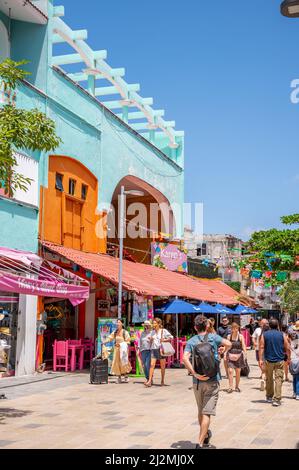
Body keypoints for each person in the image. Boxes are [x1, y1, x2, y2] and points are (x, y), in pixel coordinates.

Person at [183, 315, 231, 449]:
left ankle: (204, 436)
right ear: (208, 326)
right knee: (206, 413)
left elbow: (184, 358)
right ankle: (200, 443)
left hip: (197, 382)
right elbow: (229, 343)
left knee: (201, 411)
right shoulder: (214, 338)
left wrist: (195, 373)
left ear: (195, 327)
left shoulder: (191, 341)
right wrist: (223, 350)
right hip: (213, 380)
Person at [259, 318, 291, 406]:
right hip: (279, 360)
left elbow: (261, 347)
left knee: (269, 379)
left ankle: (269, 396)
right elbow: (287, 347)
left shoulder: (264, 335)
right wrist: (288, 358)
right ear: (277, 325)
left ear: (269, 325)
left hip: (268, 360)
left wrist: (260, 359)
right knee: (278, 379)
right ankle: (276, 399)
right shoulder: (282, 334)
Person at [144, 317, 173, 387]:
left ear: (158, 324)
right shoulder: (152, 332)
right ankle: (149, 381)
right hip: (154, 349)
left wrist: (164, 340)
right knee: (151, 365)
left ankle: (162, 380)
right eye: (153, 323)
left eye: (154, 323)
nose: (153, 324)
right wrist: (150, 339)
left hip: (161, 350)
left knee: (162, 366)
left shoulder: (163, 331)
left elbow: (171, 337)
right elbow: (151, 341)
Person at [226, 322, 247, 393]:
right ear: (232, 329)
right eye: (234, 328)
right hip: (230, 355)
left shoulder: (241, 336)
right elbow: (227, 346)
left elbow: (243, 345)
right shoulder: (229, 336)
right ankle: (230, 387)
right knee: (230, 371)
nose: (235, 329)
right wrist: (225, 353)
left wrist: (245, 354)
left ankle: (237, 386)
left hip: (239, 355)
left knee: (238, 371)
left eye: (236, 328)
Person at [252, 318, 269, 386]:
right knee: (260, 363)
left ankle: (263, 375)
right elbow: (253, 337)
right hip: (258, 349)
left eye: (265, 323)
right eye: (263, 323)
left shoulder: (269, 330)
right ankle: (264, 373)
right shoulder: (257, 329)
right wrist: (254, 343)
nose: (264, 324)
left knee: (264, 363)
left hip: (266, 349)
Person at [289, 323, 299, 400]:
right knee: (298, 378)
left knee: (294, 378)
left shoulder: (291, 338)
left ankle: (294, 393)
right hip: (297, 360)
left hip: (292, 360)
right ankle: (298, 393)